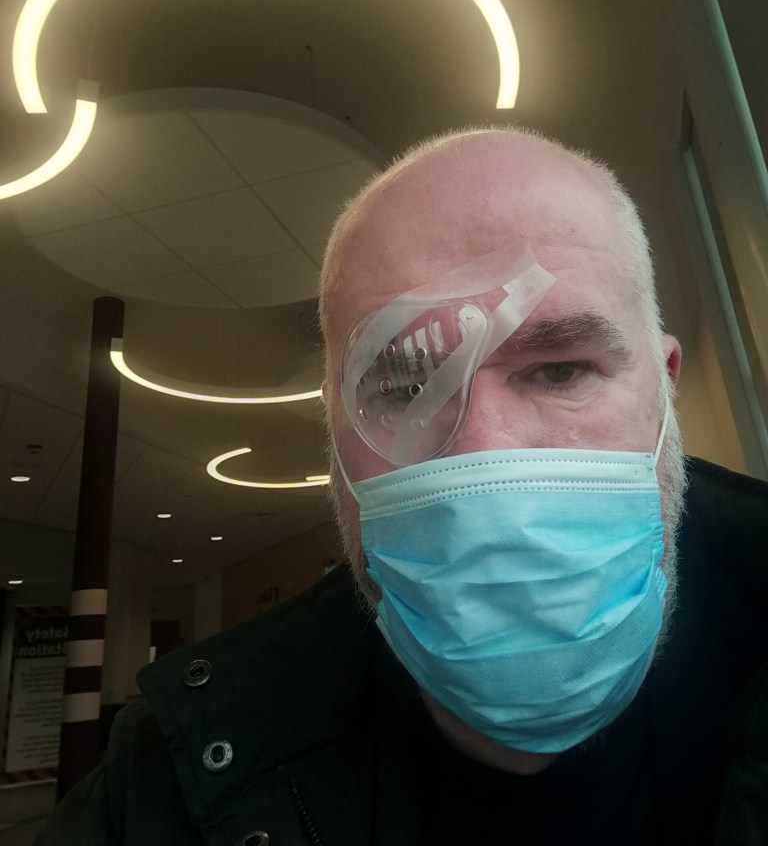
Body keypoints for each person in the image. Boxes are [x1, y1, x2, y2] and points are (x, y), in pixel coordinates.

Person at [37, 128, 768, 845]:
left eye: (560, 371)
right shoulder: (167, 780)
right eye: (406, 388)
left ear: (664, 388)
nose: (485, 452)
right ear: (334, 441)